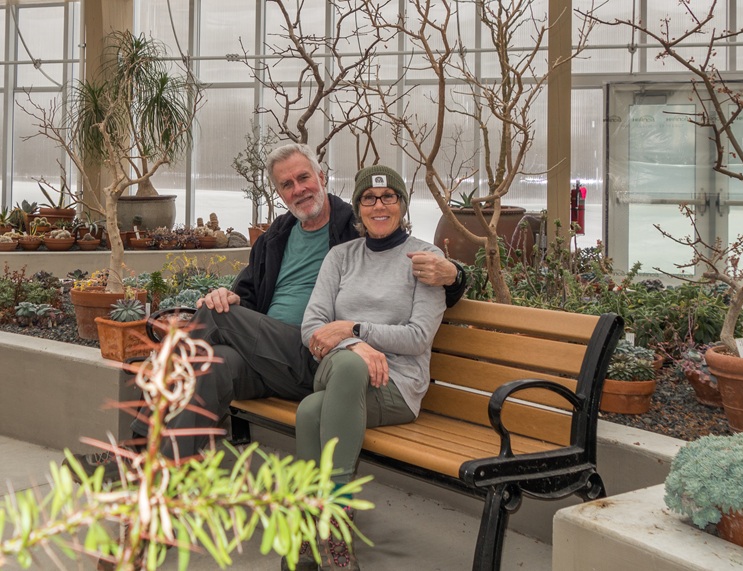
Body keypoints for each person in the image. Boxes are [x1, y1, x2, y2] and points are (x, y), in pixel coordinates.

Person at [68, 143, 466, 478]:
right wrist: (225, 297)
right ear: (279, 193)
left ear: (322, 176)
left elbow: (412, 265)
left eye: (304, 178)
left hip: (316, 355)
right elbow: (246, 295)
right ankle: (159, 480)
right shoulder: (277, 235)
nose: (299, 190)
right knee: (210, 364)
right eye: (287, 185)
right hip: (267, 356)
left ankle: (138, 443)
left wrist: (455, 274)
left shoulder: (353, 225)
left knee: (213, 324)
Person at [289, 165, 447, 571]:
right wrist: (356, 345)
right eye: (369, 198)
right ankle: (337, 529)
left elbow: (418, 338)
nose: (379, 206)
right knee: (349, 366)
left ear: (402, 205)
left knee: (310, 411)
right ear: (358, 208)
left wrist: (354, 328)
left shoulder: (425, 259)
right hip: (340, 369)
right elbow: (311, 327)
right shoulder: (340, 257)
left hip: (399, 386)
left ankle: (308, 532)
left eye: (388, 197)